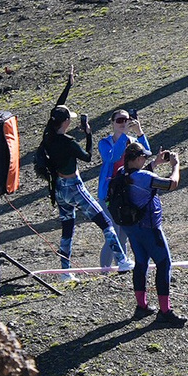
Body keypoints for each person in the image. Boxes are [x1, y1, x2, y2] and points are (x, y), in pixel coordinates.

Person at [34, 104, 126, 276]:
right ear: (66, 122)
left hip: (60, 189)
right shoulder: (69, 143)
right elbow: (88, 157)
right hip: (75, 187)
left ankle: (65, 270)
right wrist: (88, 134)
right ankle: (121, 260)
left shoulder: (47, 138)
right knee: (106, 223)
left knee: (67, 229)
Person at [112, 145, 185, 327]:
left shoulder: (122, 173)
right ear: (136, 159)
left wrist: (156, 163)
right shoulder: (144, 177)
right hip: (149, 228)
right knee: (164, 263)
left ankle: (141, 306)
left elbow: (139, 176)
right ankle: (165, 312)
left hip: (132, 228)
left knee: (141, 263)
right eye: (143, 157)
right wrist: (175, 165)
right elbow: (171, 184)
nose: (145, 160)